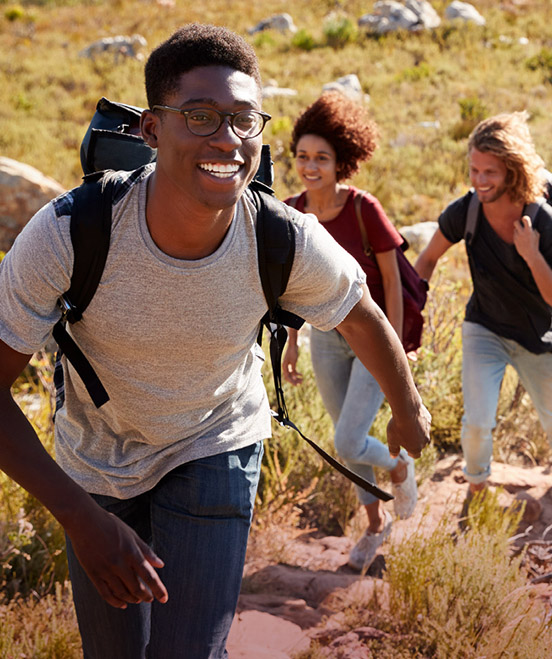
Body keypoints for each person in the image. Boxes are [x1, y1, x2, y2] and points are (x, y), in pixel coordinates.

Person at [0, 25, 430, 658]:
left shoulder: (282, 237)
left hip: (215, 440)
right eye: (200, 117)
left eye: (244, 120)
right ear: (151, 130)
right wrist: (80, 519)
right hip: (96, 461)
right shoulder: (70, 231)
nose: (227, 140)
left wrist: (409, 406)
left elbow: (360, 314)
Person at [282, 92, 419, 572]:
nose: (311, 166)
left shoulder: (364, 209)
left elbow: (396, 287)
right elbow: (290, 288)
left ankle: (401, 468)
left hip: (371, 338)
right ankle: (375, 526)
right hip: (324, 337)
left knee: (347, 440)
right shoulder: (291, 212)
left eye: (322, 158)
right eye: (303, 157)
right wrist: (292, 342)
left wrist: (397, 346)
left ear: (342, 160)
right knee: (349, 437)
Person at [415, 111, 552, 508]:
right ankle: (476, 489)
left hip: (540, 338)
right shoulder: (467, 210)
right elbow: (426, 260)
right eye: (474, 170)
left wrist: (531, 254)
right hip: (485, 329)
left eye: (490, 172)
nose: (479, 180)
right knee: (477, 422)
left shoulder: (541, 219)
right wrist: (410, 315)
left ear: (512, 169)